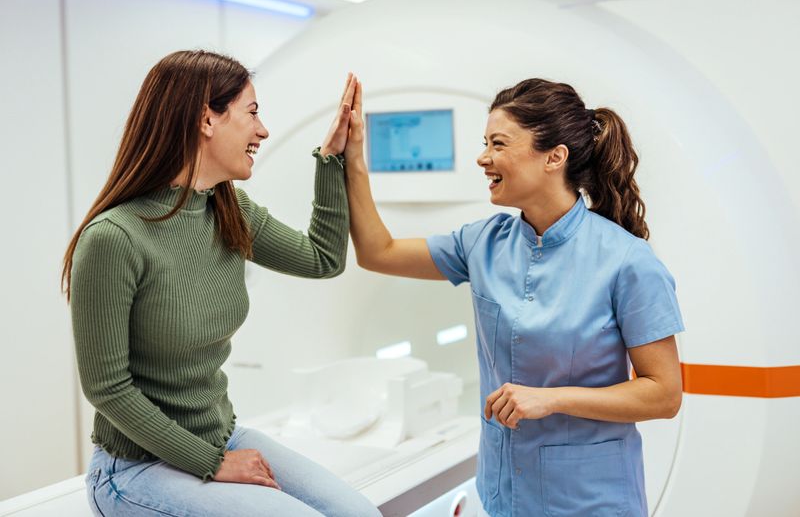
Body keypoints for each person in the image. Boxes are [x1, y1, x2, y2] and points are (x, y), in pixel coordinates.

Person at [343, 77, 685, 516]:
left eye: (499, 144)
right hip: (504, 492)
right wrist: (353, 156)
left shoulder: (627, 261)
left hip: (588, 499)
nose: (483, 158)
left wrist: (553, 397)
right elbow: (378, 252)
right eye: (485, 143)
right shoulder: (483, 243)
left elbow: (663, 394)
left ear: (554, 157)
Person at [62, 50, 380, 517]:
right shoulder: (114, 238)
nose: (263, 130)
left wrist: (331, 158)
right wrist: (213, 463)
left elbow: (323, 259)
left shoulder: (228, 210)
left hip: (221, 435)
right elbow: (107, 388)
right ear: (205, 119)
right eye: (252, 113)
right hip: (135, 469)